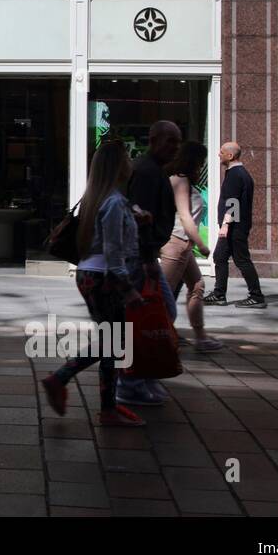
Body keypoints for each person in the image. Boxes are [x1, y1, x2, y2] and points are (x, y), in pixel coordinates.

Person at [40, 141, 147, 428]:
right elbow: (113, 250)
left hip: (93, 275)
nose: (131, 162)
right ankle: (64, 381)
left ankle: (105, 405)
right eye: (127, 157)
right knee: (113, 342)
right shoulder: (112, 202)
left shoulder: (100, 198)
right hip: (104, 279)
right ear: (116, 165)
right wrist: (128, 288)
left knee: (112, 342)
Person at [119, 120, 181, 408]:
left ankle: (140, 375)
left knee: (157, 313)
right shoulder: (146, 172)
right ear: (154, 139)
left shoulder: (152, 170)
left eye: (177, 142)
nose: (174, 148)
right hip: (140, 257)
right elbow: (140, 218)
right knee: (155, 313)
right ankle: (132, 380)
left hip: (144, 255)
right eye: (170, 141)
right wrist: (147, 259)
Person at [159, 141, 223, 352]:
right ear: (193, 160)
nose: (202, 165)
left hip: (182, 245)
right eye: (201, 161)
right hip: (177, 243)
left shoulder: (181, 180)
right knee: (163, 294)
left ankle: (199, 336)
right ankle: (159, 336)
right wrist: (202, 245)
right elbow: (186, 217)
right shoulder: (180, 180)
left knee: (197, 285)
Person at [204, 141, 266, 308]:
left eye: (222, 152)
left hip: (234, 227)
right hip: (236, 225)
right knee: (220, 257)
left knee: (242, 260)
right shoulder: (240, 173)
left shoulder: (235, 174)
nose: (219, 154)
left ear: (230, 156)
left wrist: (225, 225)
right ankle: (219, 294)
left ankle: (256, 296)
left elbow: (232, 202)